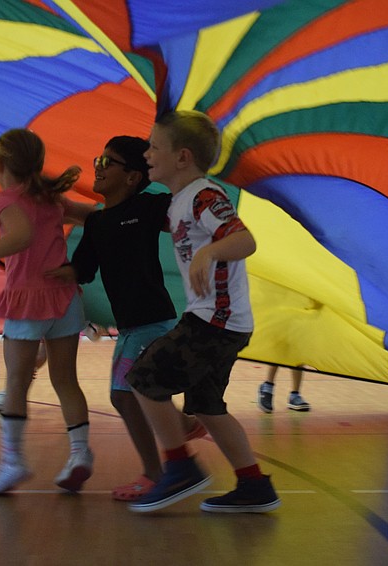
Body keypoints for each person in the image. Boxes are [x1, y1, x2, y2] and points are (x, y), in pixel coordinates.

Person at [125, 110, 280, 514]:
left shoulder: (204, 196)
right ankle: (254, 484)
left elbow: (244, 241)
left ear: (183, 157)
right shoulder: (180, 201)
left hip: (216, 321)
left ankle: (180, 467)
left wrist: (208, 252)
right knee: (207, 406)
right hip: (222, 322)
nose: (146, 153)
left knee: (143, 377)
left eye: (154, 146)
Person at [47, 136, 205, 501]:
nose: (98, 168)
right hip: (131, 327)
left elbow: (183, 207)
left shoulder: (147, 207)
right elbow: (82, 269)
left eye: (108, 162)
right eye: (98, 160)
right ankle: (184, 425)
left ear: (132, 177)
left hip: (153, 322)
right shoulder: (98, 223)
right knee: (125, 396)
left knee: (128, 394)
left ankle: (158, 472)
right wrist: (49, 273)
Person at [0, 128, 95, 495]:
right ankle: (80, 453)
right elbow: (92, 216)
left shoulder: (6, 199)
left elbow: (21, 237)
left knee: (16, 381)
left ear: (0, 163)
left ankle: (12, 461)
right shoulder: (50, 197)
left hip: (29, 300)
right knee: (66, 380)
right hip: (64, 298)